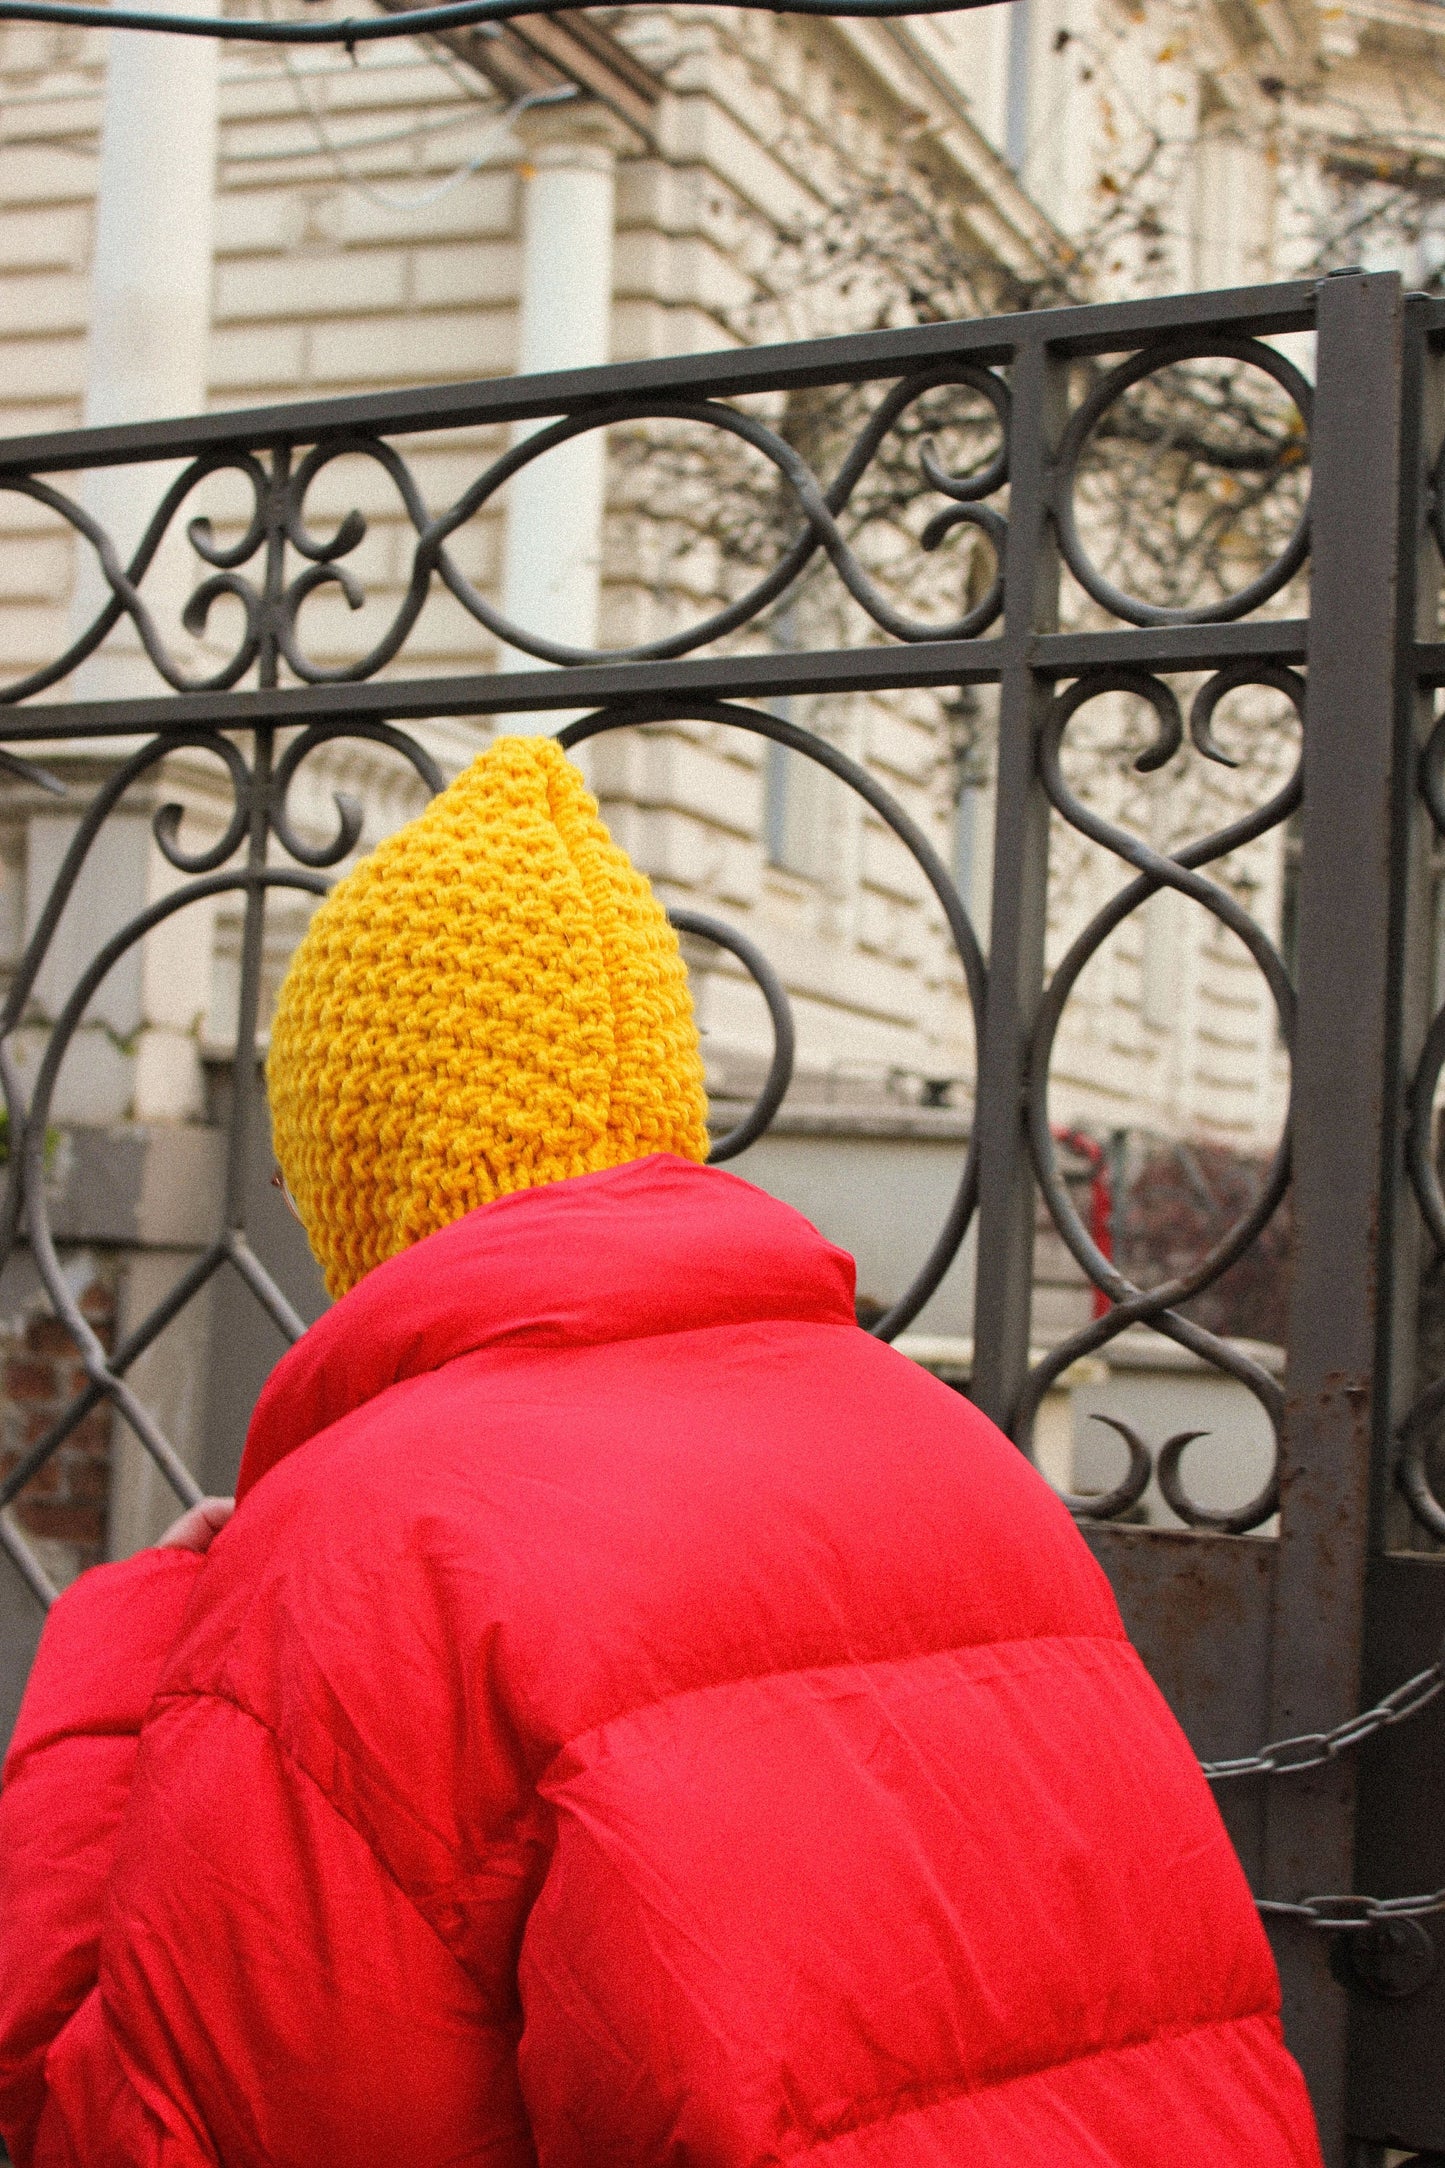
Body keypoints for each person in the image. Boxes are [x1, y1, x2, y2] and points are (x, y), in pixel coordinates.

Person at [0, 737, 1321, 2167]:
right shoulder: (955, 1456)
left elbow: (133, 2127)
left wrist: (120, 1667)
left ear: (352, 1158)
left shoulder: (362, 1553)